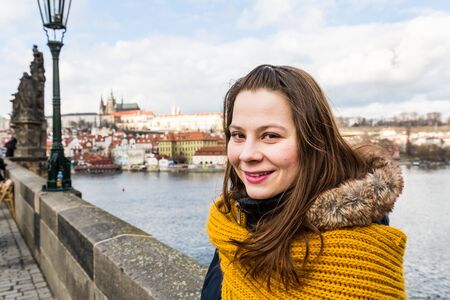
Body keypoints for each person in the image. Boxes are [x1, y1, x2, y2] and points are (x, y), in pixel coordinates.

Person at [202, 65, 406, 299]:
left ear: (314, 141)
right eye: (238, 135)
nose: (247, 154)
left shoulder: (362, 261)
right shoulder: (234, 227)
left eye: (270, 136)